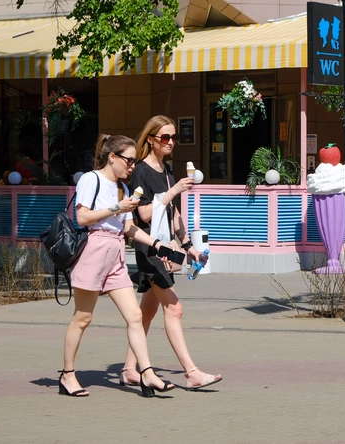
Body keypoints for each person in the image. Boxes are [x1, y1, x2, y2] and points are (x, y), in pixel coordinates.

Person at [59, 134, 176, 398]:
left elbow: (128, 227)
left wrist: (157, 244)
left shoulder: (123, 188)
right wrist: (117, 207)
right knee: (83, 318)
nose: (132, 166)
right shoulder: (92, 179)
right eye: (129, 160)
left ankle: (147, 374)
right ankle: (67, 375)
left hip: (116, 253)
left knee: (134, 316)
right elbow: (82, 217)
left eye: (134, 161)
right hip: (94, 250)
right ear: (112, 157)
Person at [119, 115, 222, 390]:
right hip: (150, 248)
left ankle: (129, 369)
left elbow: (173, 214)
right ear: (151, 139)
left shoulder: (166, 170)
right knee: (174, 309)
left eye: (174, 137)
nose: (171, 142)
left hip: (166, 247)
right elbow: (144, 214)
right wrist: (173, 190)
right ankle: (191, 372)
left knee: (147, 312)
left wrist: (189, 247)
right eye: (165, 137)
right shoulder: (141, 171)